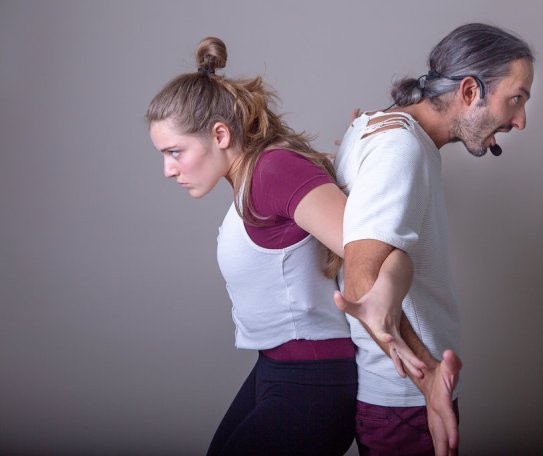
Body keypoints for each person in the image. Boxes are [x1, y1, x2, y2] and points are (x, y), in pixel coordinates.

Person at [145, 37, 421, 456]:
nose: (168, 169)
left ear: (220, 134)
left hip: (312, 382)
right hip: (277, 369)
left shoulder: (272, 171)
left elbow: (374, 251)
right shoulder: (253, 177)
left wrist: (389, 314)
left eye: (175, 152)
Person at [332, 23, 535, 456]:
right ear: (469, 91)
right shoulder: (399, 149)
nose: (520, 121)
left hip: (406, 401)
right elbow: (361, 281)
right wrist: (429, 382)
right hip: (406, 404)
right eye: (516, 99)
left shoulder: (382, 129)